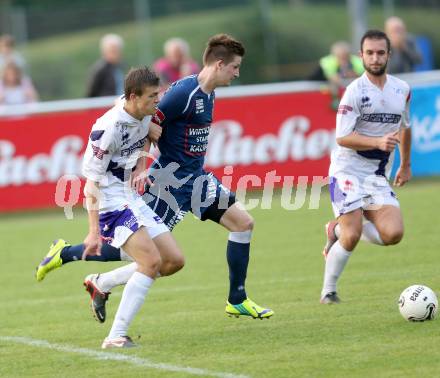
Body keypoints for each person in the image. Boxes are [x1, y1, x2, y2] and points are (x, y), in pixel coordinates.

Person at [36, 34, 273, 322]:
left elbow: (152, 122)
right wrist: (142, 164)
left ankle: (237, 299)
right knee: (143, 255)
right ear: (220, 65)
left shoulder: (208, 92)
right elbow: (145, 117)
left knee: (243, 223)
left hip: (197, 181)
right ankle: (69, 255)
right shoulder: (182, 93)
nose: (237, 73)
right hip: (167, 184)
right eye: (235, 67)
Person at [76, 66, 185, 348]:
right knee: (150, 262)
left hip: (130, 196)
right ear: (134, 97)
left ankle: (102, 282)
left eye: (158, 95)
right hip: (110, 201)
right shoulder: (107, 129)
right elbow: (91, 185)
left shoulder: (142, 113)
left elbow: (142, 132)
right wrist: (93, 231)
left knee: (173, 261)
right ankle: (115, 336)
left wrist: (140, 164)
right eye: (152, 97)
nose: (157, 102)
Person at [320, 29, 412, 304]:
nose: (375, 58)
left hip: (376, 176)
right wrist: (377, 141)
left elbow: (405, 126)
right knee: (353, 234)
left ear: (388, 55)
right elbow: (342, 137)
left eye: (380, 52)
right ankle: (328, 292)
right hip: (346, 171)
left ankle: (334, 229)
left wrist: (405, 164)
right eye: (369, 53)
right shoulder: (354, 92)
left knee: (393, 234)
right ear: (361, 56)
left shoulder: (401, 89)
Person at [310, 41, 364, 110]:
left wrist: (353, 75)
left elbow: (362, 76)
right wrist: (347, 76)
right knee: (333, 84)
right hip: (324, 86)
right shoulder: (327, 62)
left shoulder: (357, 62)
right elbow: (333, 78)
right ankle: (336, 101)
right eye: (340, 56)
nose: (343, 59)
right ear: (334, 55)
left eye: (345, 56)